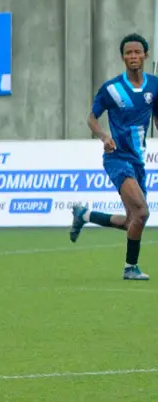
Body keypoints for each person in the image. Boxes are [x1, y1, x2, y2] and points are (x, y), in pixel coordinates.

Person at [70, 33, 158, 281]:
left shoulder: (154, 86)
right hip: (117, 158)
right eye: (128, 53)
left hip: (138, 160)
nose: (133, 56)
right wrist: (103, 136)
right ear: (123, 58)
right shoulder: (111, 89)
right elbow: (91, 118)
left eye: (137, 52)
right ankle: (130, 268)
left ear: (145, 55)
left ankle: (84, 215)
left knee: (133, 221)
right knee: (142, 212)